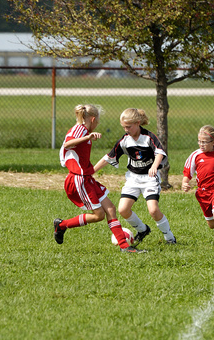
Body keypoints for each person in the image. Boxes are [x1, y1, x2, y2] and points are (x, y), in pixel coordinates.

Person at [54, 104, 145, 253]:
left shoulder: (83, 130)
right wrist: (87, 137)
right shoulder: (80, 129)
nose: (97, 126)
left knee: (110, 209)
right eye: (97, 123)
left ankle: (125, 247)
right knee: (99, 215)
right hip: (79, 179)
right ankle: (62, 225)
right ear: (93, 119)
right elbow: (67, 144)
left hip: (87, 178)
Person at [94, 108, 176, 245]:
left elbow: (160, 152)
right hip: (133, 178)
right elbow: (108, 157)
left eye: (128, 126)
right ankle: (143, 230)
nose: (126, 129)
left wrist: (155, 166)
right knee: (123, 210)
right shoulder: (125, 140)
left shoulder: (148, 137)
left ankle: (169, 237)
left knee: (154, 210)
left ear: (138, 123)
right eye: (124, 127)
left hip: (149, 178)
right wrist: (91, 171)